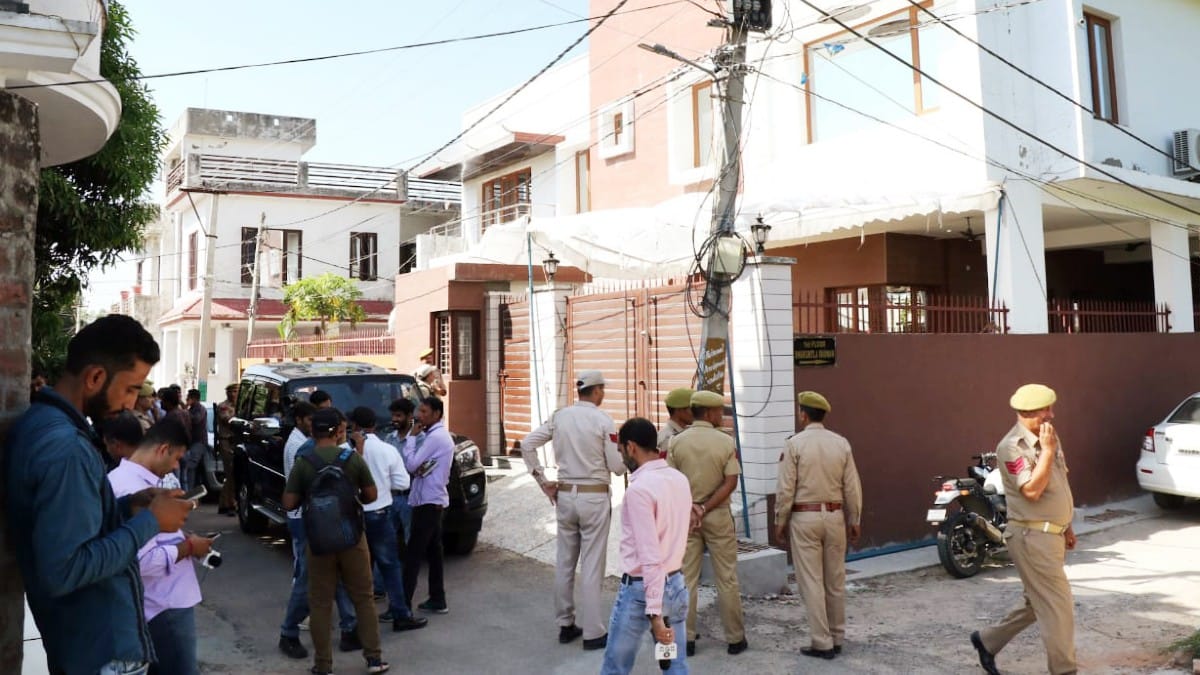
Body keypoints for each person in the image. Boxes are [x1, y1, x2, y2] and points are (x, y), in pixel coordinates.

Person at [5, 314, 194, 675]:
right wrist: (152, 523)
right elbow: (66, 568)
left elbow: (73, 526)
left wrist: (127, 507)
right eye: (131, 388)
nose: (131, 403)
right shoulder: (66, 448)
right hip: (99, 652)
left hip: (86, 645)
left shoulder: (44, 424)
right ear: (94, 378)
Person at [971, 384, 1077, 675]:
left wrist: (1067, 526)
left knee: (1037, 602)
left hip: (1051, 535)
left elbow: (1060, 482)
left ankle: (987, 641)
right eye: (1047, 411)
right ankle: (1065, 670)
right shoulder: (1011, 446)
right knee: (1058, 606)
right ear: (1030, 413)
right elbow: (1031, 490)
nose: (1052, 415)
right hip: (1032, 536)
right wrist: (1047, 452)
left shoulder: (1048, 438)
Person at [520, 370, 627, 650]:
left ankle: (565, 624)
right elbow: (617, 466)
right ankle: (593, 632)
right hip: (594, 497)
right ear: (597, 391)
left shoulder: (559, 417)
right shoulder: (603, 420)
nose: (603, 393)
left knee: (565, 562)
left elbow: (527, 444)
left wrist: (543, 481)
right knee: (592, 565)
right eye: (602, 389)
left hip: (565, 495)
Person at [282, 408, 389, 675]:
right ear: (335, 430)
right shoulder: (350, 458)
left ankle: (323, 665)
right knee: (363, 598)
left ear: (313, 430)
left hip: (318, 541)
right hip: (352, 537)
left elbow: (288, 502)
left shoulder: (304, 461)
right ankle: (374, 659)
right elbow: (371, 495)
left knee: (320, 602)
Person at [108, 419, 215, 675]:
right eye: (177, 458)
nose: (176, 466)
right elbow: (141, 560)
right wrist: (189, 547)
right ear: (162, 449)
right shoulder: (132, 487)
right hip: (162, 605)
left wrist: (180, 536)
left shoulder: (125, 479)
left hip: (162, 602)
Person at [773, 391, 863, 660]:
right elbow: (853, 486)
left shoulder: (794, 445)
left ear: (803, 414)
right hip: (835, 516)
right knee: (835, 580)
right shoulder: (841, 443)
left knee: (811, 581)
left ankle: (821, 641)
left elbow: (786, 488)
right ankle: (837, 637)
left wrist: (780, 519)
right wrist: (854, 518)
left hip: (805, 517)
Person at [601, 418, 692, 675]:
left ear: (631, 447)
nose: (622, 459)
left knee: (615, 668)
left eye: (620, 452)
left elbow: (651, 556)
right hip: (675, 585)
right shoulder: (678, 479)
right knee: (675, 664)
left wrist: (654, 614)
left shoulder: (639, 490)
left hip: (642, 593)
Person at [278, 401, 361, 660]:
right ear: (333, 430)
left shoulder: (338, 452)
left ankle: (349, 628)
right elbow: (291, 498)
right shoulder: (307, 452)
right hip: (312, 523)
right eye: (342, 431)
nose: (344, 436)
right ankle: (289, 633)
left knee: (338, 575)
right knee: (308, 579)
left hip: (334, 522)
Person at [667, 390, 747, 656]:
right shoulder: (725, 442)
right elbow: (731, 482)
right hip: (717, 515)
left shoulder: (677, 442)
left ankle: (685, 640)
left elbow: (671, 482)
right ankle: (735, 639)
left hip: (686, 517)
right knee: (726, 577)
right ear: (711, 413)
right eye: (719, 412)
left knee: (686, 579)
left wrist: (691, 508)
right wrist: (705, 507)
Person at [347, 406, 427, 632]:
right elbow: (403, 483)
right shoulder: (387, 449)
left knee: (352, 568)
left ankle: (352, 621)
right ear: (373, 425)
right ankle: (400, 613)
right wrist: (383, 485)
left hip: (354, 514)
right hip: (381, 511)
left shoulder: (346, 450)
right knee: (390, 564)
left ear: (354, 426)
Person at [400, 397, 455, 616]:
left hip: (429, 502)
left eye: (423, 411)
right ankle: (437, 598)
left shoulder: (435, 437)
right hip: (432, 500)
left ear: (436, 414)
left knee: (413, 554)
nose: (418, 416)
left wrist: (411, 439)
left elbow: (412, 465)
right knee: (434, 551)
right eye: (418, 411)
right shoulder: (435, 435)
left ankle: (402, 605)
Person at [383, 398, 416, 544]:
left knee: (412, 539)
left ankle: (411, 567)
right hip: (390, 497)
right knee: (386, 539)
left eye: (398, 416)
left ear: (410, 417)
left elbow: (416, 466)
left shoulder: (420, 440)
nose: (394, 419)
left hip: (410, 497)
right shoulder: (389, 439)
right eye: (393, 416)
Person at [215, 382, 239, 516]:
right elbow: (229, 421)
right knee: (231, 474)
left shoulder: (242, 405)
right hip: (227, 442)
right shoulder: (224, 406)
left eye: (236, 391)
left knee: (233, 475)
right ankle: (230, 504)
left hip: (237, 442)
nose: (233, 394)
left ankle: (224, 503)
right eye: (231, 391)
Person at [183, 389, 208, 494]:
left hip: (198, 442)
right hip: (191, 442)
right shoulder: (191, 409)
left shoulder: (200, 409)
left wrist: (185, 411)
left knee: (191, 467)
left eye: (188, 398)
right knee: (191, 468)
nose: (187, 400)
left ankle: (190, 491)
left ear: (193, 398)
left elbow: (196, 420)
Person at [657, 388, 694, 457]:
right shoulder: (667, 439)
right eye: (692, 409)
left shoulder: (690, 431)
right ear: (678, 410)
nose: (696, 413)